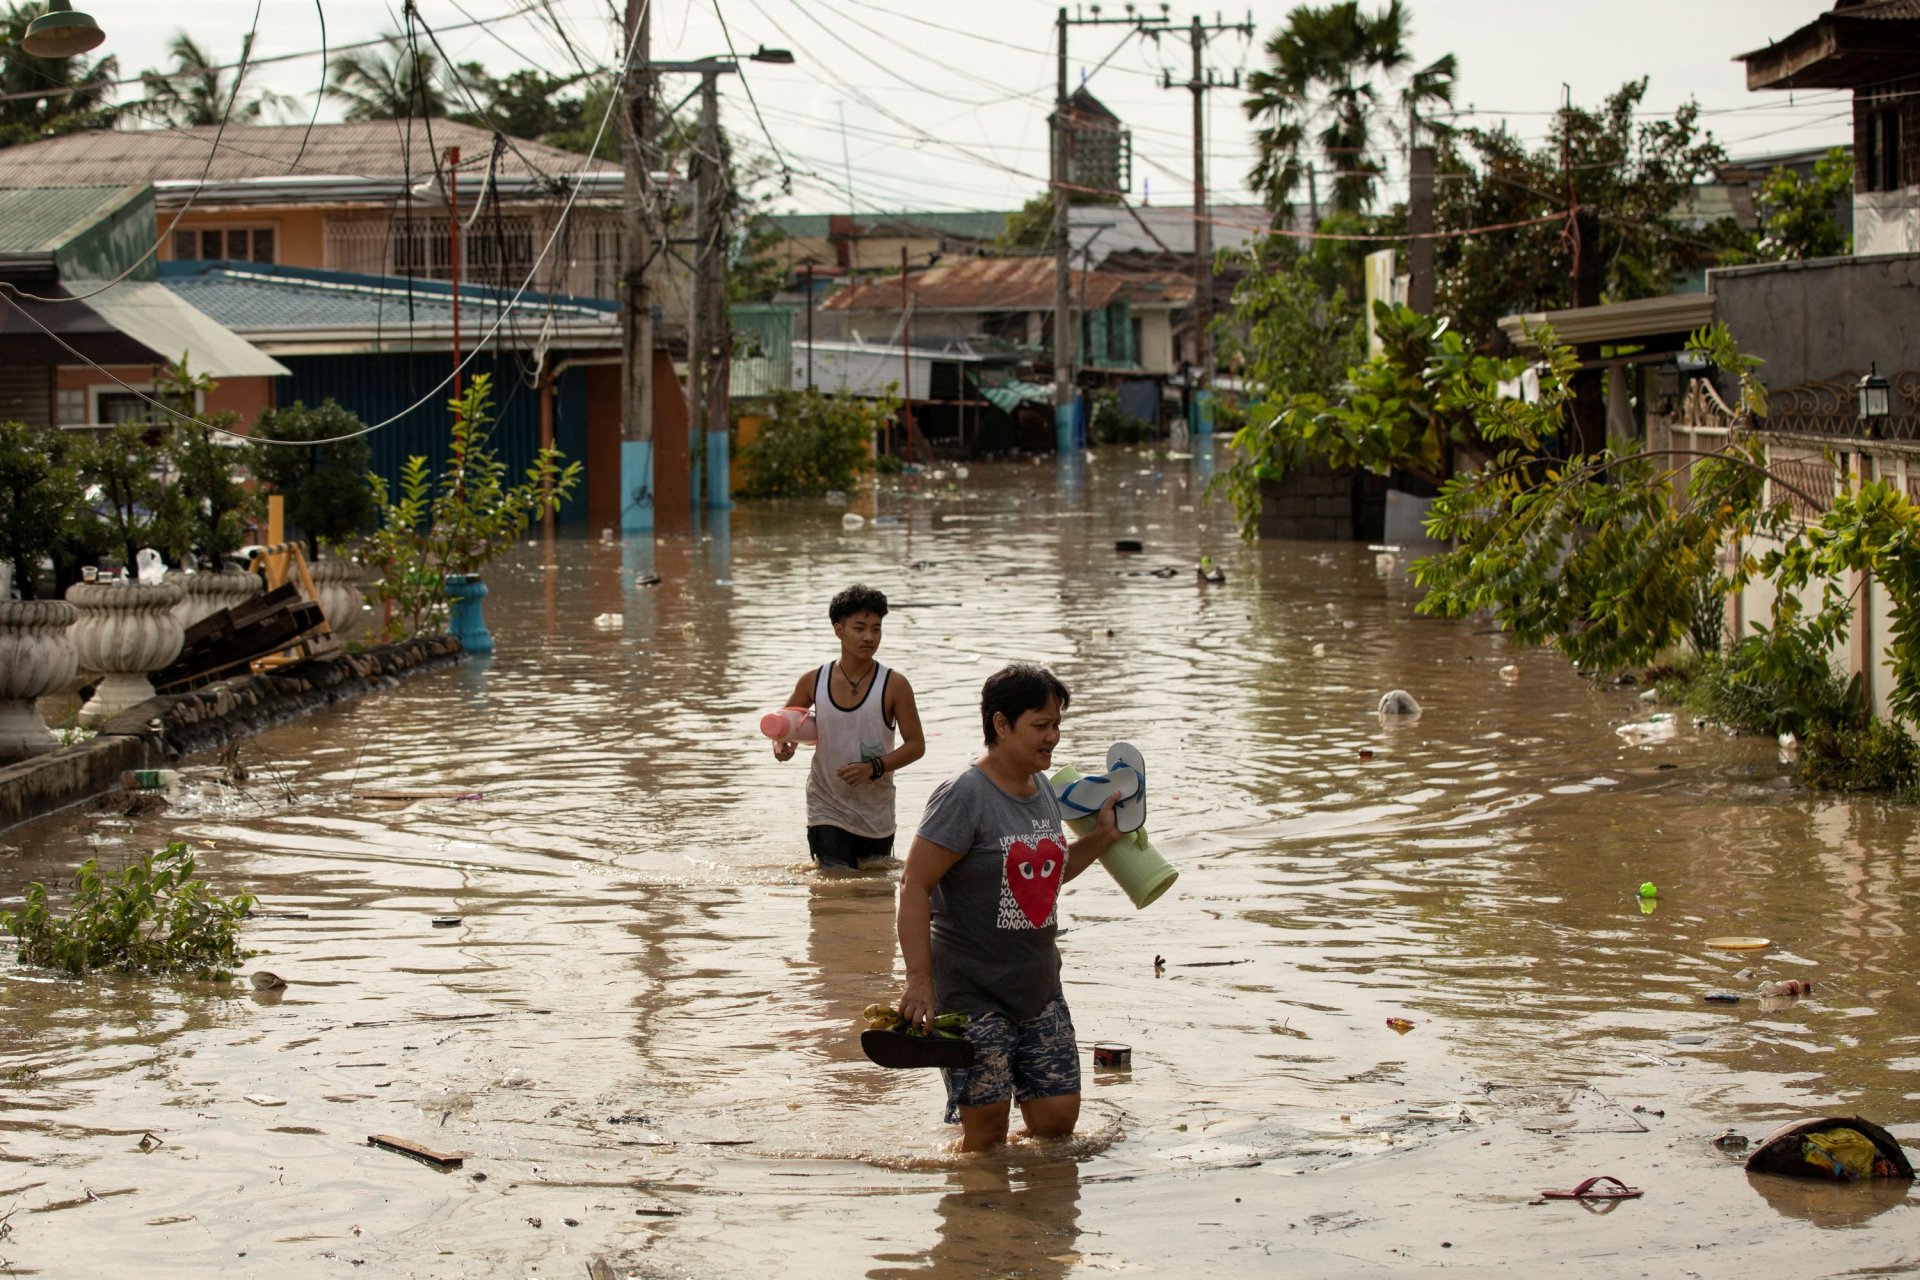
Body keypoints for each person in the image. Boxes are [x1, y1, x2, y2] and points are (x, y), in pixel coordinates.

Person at [895, 663, 1120, 1151]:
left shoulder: (1042, 788)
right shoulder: (963, 795)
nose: (1053, 737)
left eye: (1057, 724)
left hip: (1038, 986)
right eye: (1040, 725)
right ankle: (979, 1218)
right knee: (987, 1135)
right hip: (973, 994)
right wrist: (918, 981)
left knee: (1058, 1125)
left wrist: (1102, 838)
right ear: (1001, 724)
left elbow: (1046, 873)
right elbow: (914, 885)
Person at [773, 584, 925, 869]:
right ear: (838, 630)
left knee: (874, 894)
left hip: (876, 810)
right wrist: (783, 748)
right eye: (859, 627)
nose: (869, 637)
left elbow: (917, 745)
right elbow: (783, 728)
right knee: (834, 882)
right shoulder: (813, 681)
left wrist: (874, 768)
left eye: (876, 628)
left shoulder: (895, 685)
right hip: (825, 805)